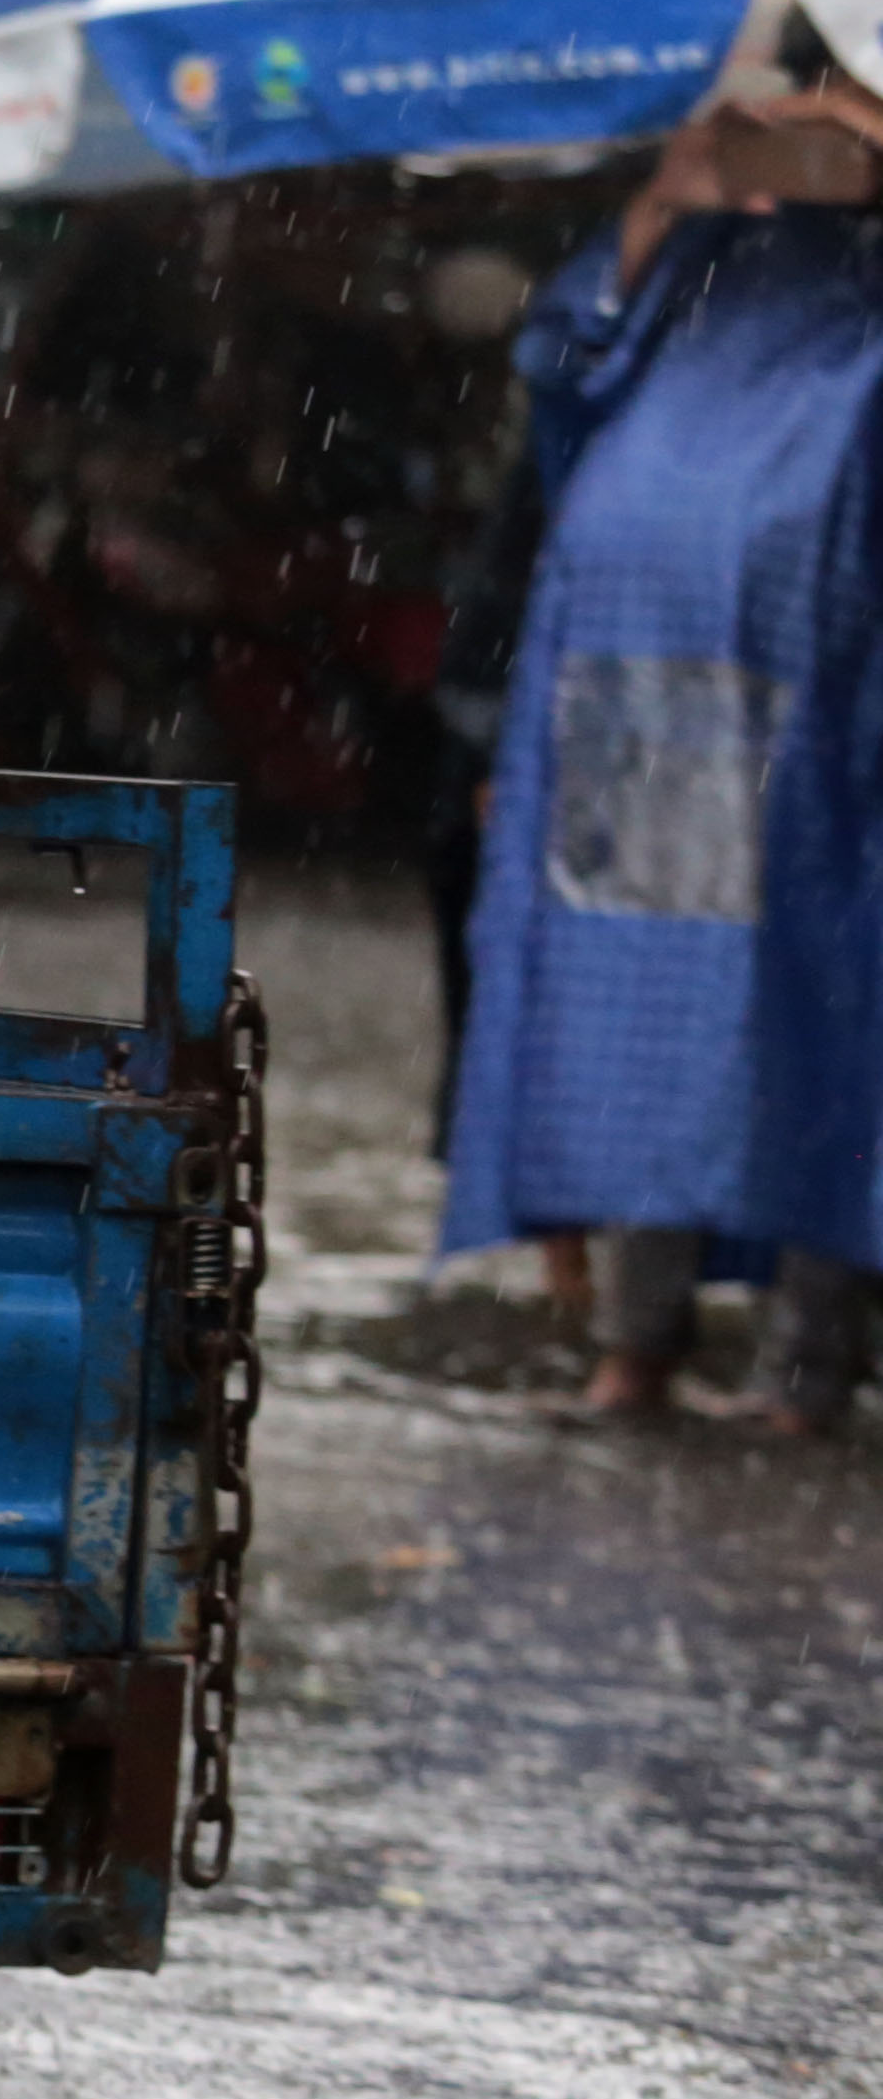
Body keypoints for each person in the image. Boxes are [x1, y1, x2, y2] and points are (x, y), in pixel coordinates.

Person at [439, 72, 883, 1432]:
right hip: (649, 698)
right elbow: (567, 362)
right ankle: (639, 1346)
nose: (807, 123)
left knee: (832, 1007)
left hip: (841, 707)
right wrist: (671, 190)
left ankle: (810, 1366)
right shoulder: (691, 251)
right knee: (640, 1004)